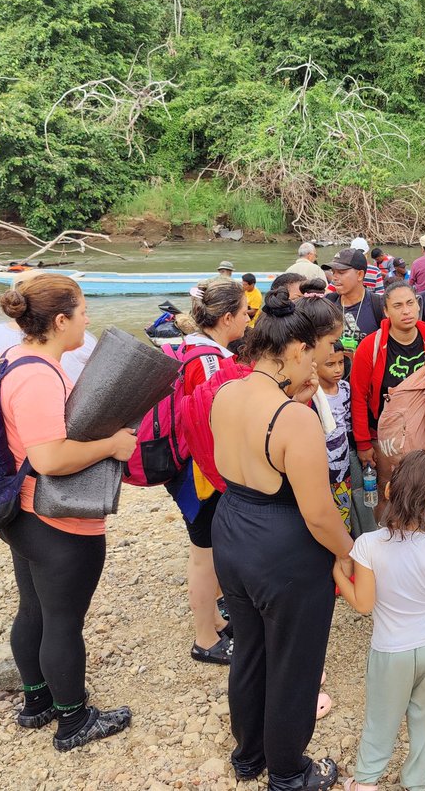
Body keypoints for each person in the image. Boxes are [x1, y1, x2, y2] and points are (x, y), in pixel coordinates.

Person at [210, 290, 354, 789]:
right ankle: (290, 773)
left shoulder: (226, 391)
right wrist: (349, 550)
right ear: (294, 350)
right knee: (294, 662)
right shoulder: (294, 418)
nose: (318, 368)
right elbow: (317, 512)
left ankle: (248, 756)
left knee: (249, 649)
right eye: (314, 356)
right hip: (283, 546)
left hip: (231, 527)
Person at [0, 274, 138, 750]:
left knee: (34, 609)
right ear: (60, 321)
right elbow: (51, 458)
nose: (88, 318)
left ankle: (37, 701)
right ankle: (74, 720)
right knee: (61, 621)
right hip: (55, 518)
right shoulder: (38, 376)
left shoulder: (14, 358)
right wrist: (114, 445)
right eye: (82, 310)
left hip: (23, 513)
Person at [335, 452, 425, 791]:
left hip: (391, 650)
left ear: (389, 490)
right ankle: (416, 781)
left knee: (381, 718)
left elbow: (364, 605)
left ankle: (365, 781)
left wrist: (339, 575)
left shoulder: (367, 545)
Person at [171, 280, 251, 666]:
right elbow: (208, 425)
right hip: (200, 472)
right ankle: (204, 637)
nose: (249, 317)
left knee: (210, 549)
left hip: (192, 468)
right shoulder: (210, 362)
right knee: (203, 555)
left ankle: (215, 620)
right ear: (227, 318)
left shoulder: (194, 348)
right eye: (245, 312)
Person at [351, 283, 425, 471]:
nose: (406, 311)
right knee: (389, 488)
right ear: (386, 311)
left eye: (410, 303)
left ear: (418, 305)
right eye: (398, 306)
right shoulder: (370, 347)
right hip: (385, 436)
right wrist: (363, 444)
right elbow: (359, 396)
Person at [0, 272, 96, 382]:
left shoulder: (3, 341)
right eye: (82, 313)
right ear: (61, 320)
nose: (87, 320)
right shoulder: (40, 375)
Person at [317, 341, 352, 525]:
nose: (338, 369)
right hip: (319, 468)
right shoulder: (311, 394)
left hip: (343, 468)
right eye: (330, 364)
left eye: (341, 363)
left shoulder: (345, 389)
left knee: (343, 512)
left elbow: (348, 424)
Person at [326, 249, 385, 353]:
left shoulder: (378, 305)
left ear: (360, 275)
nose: (334, 278)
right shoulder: (328, 303)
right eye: (333, 272)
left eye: (341, 272)